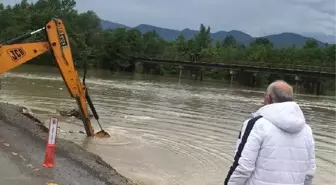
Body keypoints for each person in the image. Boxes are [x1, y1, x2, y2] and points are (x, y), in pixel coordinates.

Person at [224, 80, 316, 185]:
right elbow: (309, 173)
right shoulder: (306, 130)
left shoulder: (256, 124)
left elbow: (243, 167)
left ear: (267, 98)